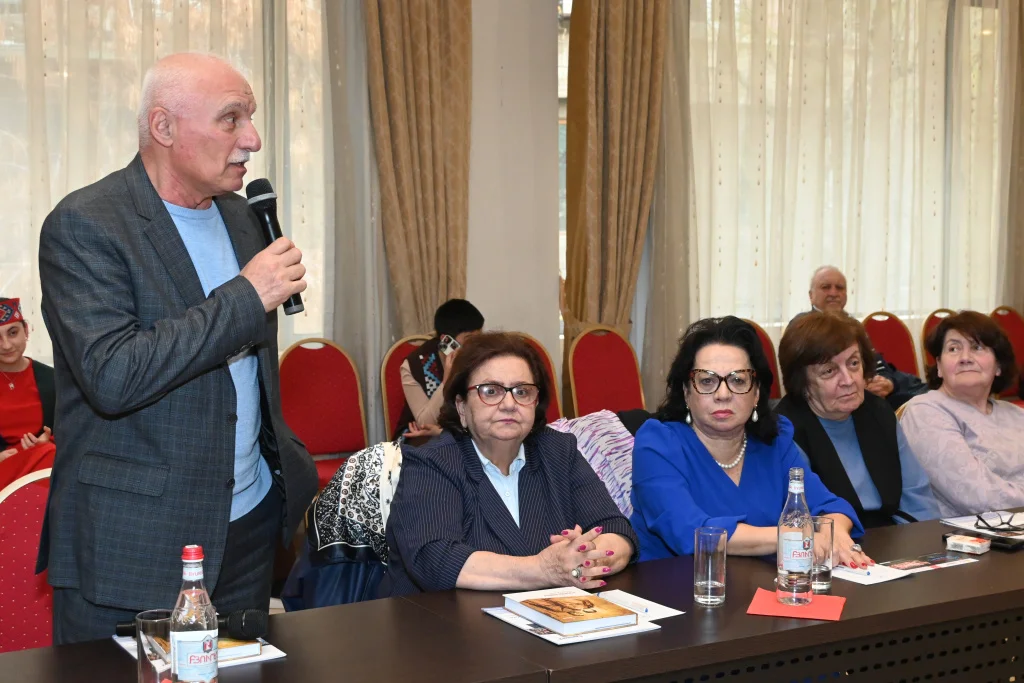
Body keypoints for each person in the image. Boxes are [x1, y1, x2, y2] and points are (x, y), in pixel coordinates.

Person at [37, 53, 317, 644]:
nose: (252, 139)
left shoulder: (242, 217)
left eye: (251, 118)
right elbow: (113, 376)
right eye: (231, 119)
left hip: (247, 525)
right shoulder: (86, 224)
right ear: (163, 127)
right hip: (136, 538)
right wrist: (247, 296)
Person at [380, 331, 638, 597]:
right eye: (490, 391)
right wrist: (544, 568)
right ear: (461, 407)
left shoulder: (559, 451)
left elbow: (617, 531)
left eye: (522, 392)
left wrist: (581, 557)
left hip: (547, 615)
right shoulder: (432, 462)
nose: (509, 404)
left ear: (536, 403)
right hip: (440, 618)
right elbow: (435, 560)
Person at [630, 317, 871, 568]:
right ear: (687, 392)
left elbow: (828, 506)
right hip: (669, 585)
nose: (723, 394)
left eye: (738, 380)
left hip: (758, 585)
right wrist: (790, 536)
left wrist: (835, 534)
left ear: (756, 393)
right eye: (707, 381)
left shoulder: (775, 443)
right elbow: (688, 531)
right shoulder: (657, 443)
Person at [775, 312, 939, 528]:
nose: (849, 380)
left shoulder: (879, 411)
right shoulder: (786, 429)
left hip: (895, 536)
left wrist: (918, 544)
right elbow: (802, 518)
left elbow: (918, 500)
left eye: (853, 363)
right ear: (802, 382)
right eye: (829, 371)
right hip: (831, 541)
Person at [900, 311, 1024, 516]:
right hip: (964, 532)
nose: (965, 358)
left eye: (977, 347)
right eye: (953, 349)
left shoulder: (1016, 415)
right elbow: (976, 496)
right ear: (939, 366)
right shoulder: (925, 411)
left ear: (998, 365)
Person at [790, 266, 927, 409]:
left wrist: (886, 382)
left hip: (872, 388)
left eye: (839, 288)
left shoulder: (852, 324)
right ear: (811, 295)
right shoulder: (801, 327)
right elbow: (804, 378)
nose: (833, 293)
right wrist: (859, 384)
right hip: (834, 398)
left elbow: (874, 360)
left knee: (925, 393)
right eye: (826, 287)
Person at [397, 299, 484, 439]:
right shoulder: (414, 365)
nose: (476, 346)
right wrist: (447, 379)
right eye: (469, 339)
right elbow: (425, 423)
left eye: (479, 338)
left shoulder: (480, 359)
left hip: (465, 433)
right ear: (446, 340)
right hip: (420, 437)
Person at [0, 297, 57, 489]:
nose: (6, 345)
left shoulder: (53, 379)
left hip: (42, 467)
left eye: (13, 333)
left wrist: (47, 441)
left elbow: (73, 431)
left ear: (26, 330)